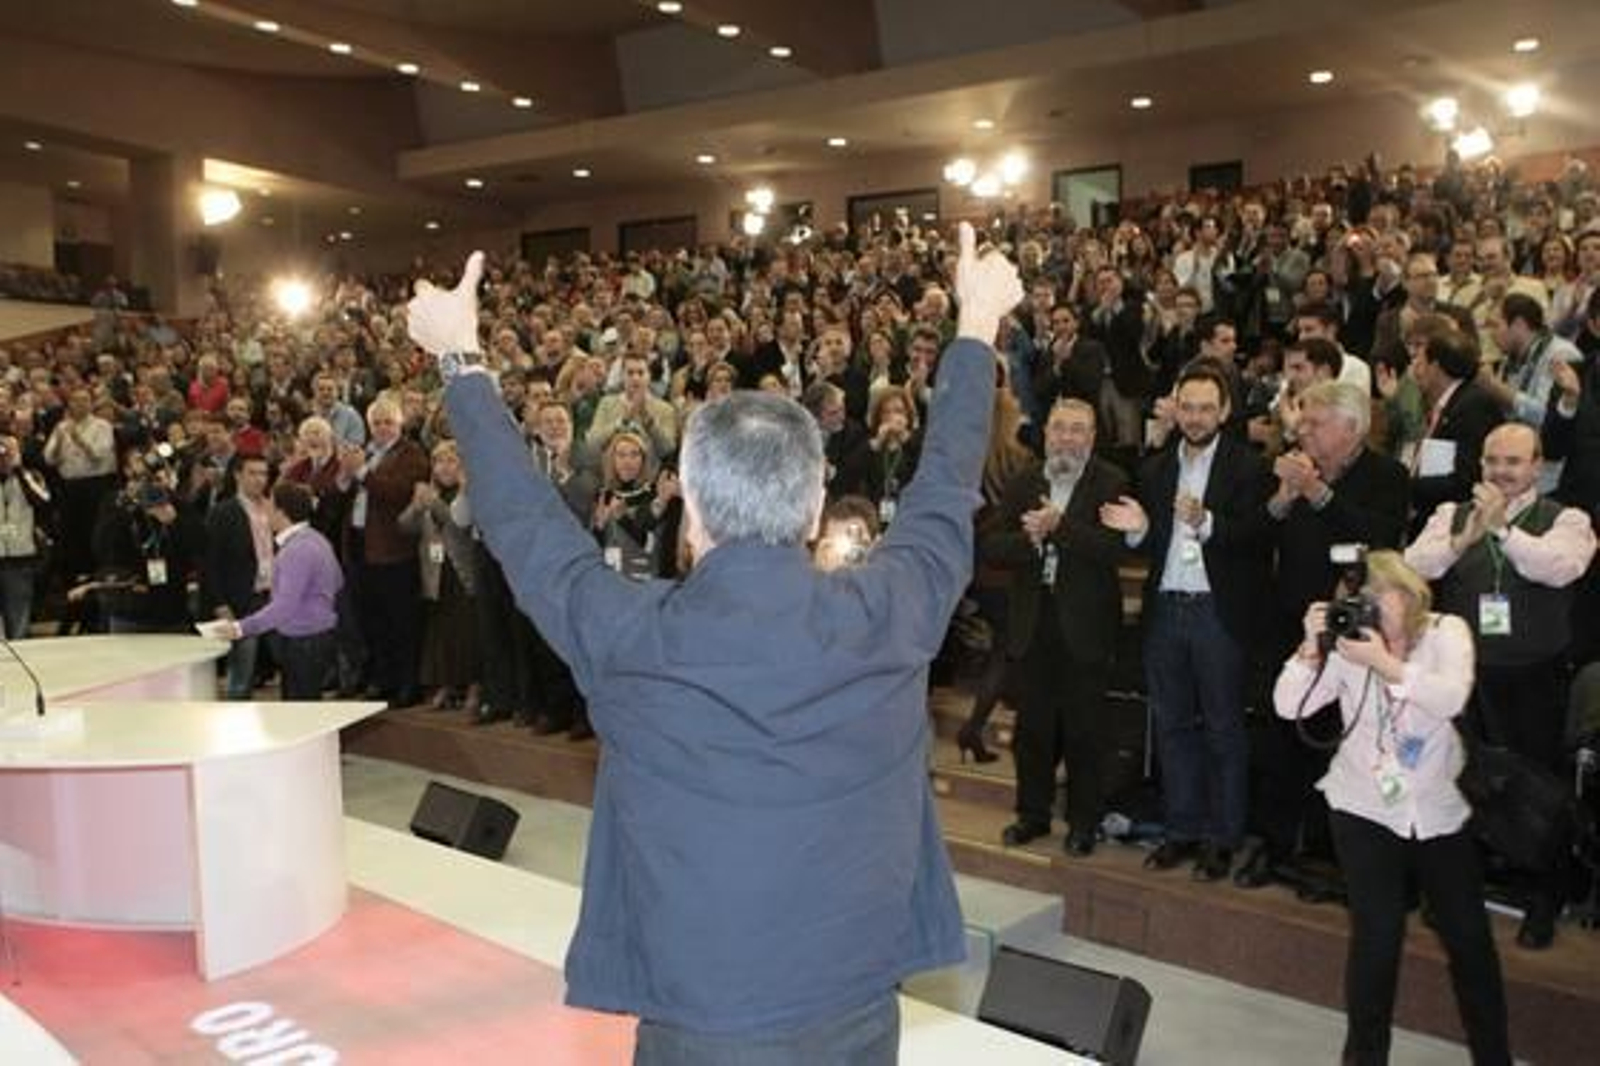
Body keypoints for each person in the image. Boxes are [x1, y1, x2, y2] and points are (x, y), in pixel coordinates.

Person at [411, 227, 1021, 1065]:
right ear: (813, 514)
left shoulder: (631, 634)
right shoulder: (892, 608)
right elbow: (945, 485)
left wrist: (459, 361)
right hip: (860, 1013)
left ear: (690, 515)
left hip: (700, 1028)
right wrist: (977, 324)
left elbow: (523, 525)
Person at [1274, 551, 1511, 1066]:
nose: (1364, 609)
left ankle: (1494, 1056)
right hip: (1362, 805)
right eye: (1354, 601)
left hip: (1438, 808)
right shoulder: (1347, 644)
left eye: (1374, 597)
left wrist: (1384, 664)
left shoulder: (1447, 632)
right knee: (1377, 937)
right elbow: (1288, 707)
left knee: (1469, 938)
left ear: (1405, 595)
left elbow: (1450, 698)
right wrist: (1308, 653)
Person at [1404, 423, 1597, 946]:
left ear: (1537, 466)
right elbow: (1415, 566)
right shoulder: (1452, 515)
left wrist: (1503, 533)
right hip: (1464, 676)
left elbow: (1559, 569)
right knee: (1458, 783)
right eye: (1492, 461)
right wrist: (1466, 537)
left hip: (1532, 678)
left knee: (1539, 792)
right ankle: (1455, 891)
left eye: (1513, 462)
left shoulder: (1566, 518)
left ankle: (1543, 896)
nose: (1501, 472)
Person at [1101, 362, 1273, 881]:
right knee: (1171, 727)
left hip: (1217, 614)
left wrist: (1208, 523)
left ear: (1223, 410)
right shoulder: (1155, 468)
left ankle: (1223, 839)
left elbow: (1260, 537)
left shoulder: (1248, 467)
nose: (1195, 417)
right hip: (1166, 610)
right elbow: (1153, 542)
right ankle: (1181, 832)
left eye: (1205, 408)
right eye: (1187, 407)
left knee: (1223, 730)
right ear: (1175, 408)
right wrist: (1137, 532)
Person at [983, 399, 1127, 855]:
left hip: (1085, 627)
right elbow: (991, 545)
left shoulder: (1111, 481)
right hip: (1033, 621)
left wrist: (1059, 528)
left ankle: (1084, 823)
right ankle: (1033, 815)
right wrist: (1030, 539)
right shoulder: (1024, 480)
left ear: (1092, 437)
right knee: (1033, 730)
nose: (1066, 437)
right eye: (1059, 428)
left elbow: (1112, 549)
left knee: (1086, 731)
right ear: (1045, 433)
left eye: (1077, 429)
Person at [223, 480, 343, 701]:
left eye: (269, 504)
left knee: (300, 708)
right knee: (305, 704)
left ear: (281, 511)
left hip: (304, 640)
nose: (265, 508)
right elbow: (337, 581)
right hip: (316, 636)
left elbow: (283, 607)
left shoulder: (297, 549)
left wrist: (241, 628)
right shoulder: (317, 539)